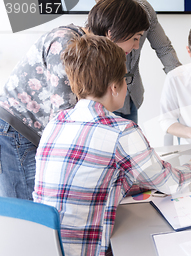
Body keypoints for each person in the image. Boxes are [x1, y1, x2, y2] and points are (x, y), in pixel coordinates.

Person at [33, 35, 191, 256]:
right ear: (115, 86)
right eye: (126, 80)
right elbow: (172, 183)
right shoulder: (121, 131)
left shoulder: (56, 121)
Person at [0, 0, 149, 201]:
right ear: (112, 33)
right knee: (31, 212)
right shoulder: (66, 43)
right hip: (19, 129)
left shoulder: (92, 50)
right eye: (135, 37)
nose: (136, 45)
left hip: (40, 129)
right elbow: (66, 118)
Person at [113, 0, 182, 123]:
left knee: (131, 140)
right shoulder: (103, 16)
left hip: (131, 96)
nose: (136, 45)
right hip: (105, 98)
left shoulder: (145, 11)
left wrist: (181, 83)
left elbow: (164, 48)